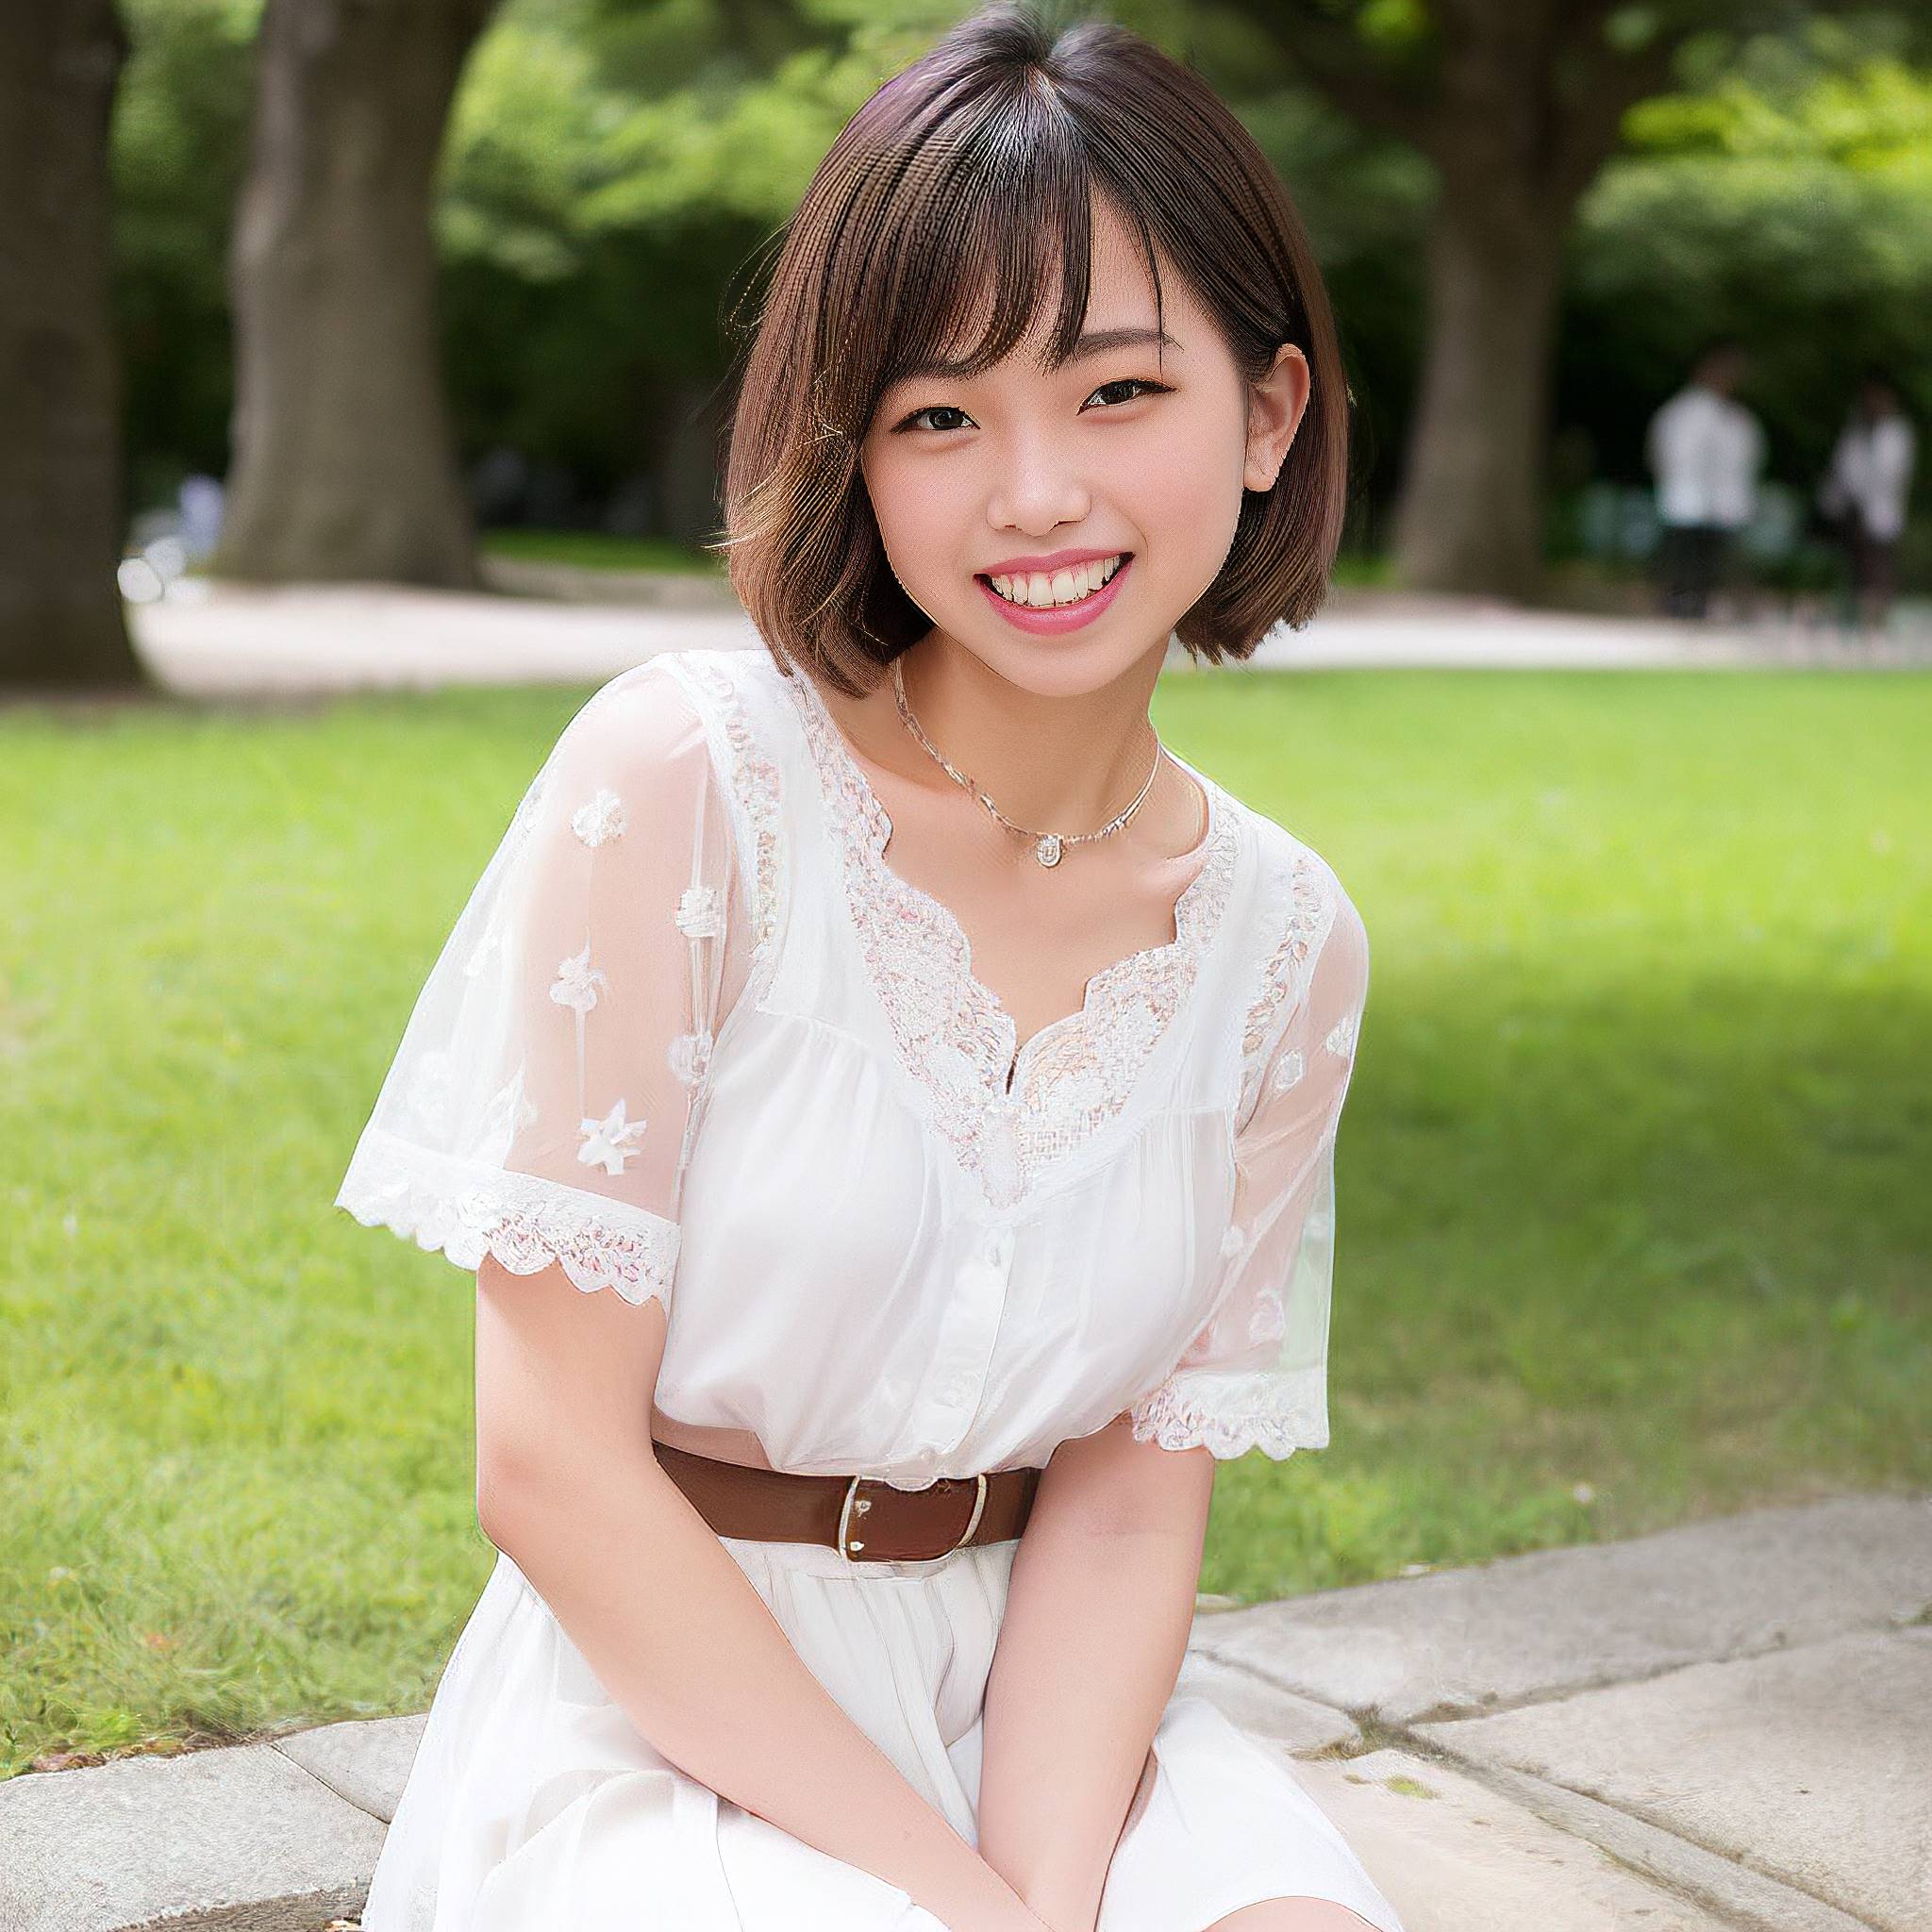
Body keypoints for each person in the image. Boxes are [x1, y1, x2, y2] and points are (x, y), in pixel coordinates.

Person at [333, 6, 1400, 1929]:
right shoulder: (689, 780)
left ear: (1266, 414)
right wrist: (952, 1905)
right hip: (661, 1713)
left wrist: (1042, 1896)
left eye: (1116, 393)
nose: (1035, 493)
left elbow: (1134, 1495)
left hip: (1038, 1716)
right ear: (856, 454)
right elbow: (550, 1467)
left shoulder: (1282, 942)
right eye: (940, 415)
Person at [1644, 341, 1766, 620]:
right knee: (1682, 560)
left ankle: (1697, 605)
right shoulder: (1684, 412)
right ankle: (1677, 605)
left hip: (1716, 504)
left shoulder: (1733, 417)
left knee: (1706, 563)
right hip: (1687, 499)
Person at [1816, 371, 1916, 634]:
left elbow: (1889, 474)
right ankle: (1858, 618)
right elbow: (1842, 470)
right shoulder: (1856, 432)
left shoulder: (1897, 434)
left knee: (1879, 565)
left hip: (1881, 511)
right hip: (1854, 511)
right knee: (1856, 566)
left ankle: (1877, 620)